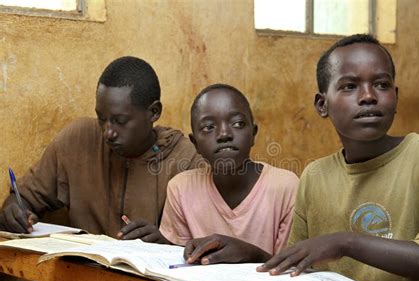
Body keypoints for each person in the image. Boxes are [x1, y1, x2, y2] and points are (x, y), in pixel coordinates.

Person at [258, 34, 419, 281]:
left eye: (381, 85)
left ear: (396, 96)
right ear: (322, 105)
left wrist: (346, 242)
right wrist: (253, 255)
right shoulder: (315, 176)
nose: (369, 96)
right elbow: (302, 269)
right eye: (349, 86)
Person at [0, 56, 200, 240]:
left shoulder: (185, 159)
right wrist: (14, 210)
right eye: (102, 119)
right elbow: (24, 198)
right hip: (80, 275)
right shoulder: (77, 141)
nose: (108, 132)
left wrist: (165, 242)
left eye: (120, 121)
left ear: (154, 112)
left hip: (148, 277)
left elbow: (204, 240)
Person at [156, 83, 299, 264]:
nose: (224, 134)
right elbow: (181, 265)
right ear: (195, 144)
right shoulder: (181, 189)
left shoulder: (285, 187)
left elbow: (291, 271)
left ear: (253, 134)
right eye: (208, 127)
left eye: (237, 124)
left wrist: (250, 254)